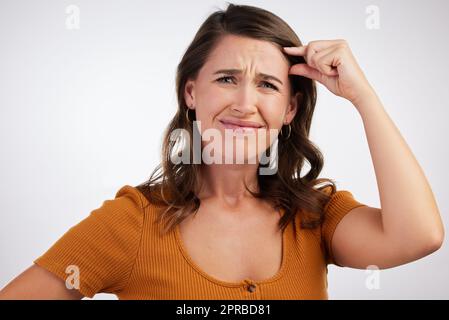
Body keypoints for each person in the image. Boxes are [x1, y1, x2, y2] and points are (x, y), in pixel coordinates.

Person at [0, 3, 444, 300]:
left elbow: (419, 237)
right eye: (227, 78)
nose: (244, 103)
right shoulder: (131, 224)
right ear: (192, 92)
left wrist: (364, 97)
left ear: (290, 108)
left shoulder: (315, 216)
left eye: (267, 85)